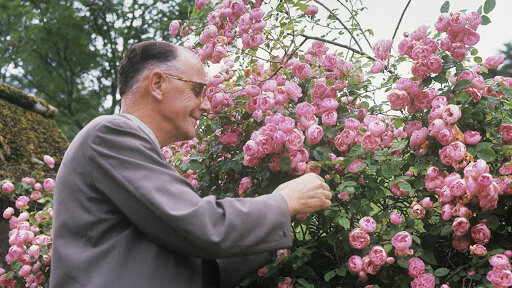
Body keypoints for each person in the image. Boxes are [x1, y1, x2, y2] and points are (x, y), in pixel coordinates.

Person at [50, 40, 332, 288]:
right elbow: (200, 225)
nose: (207, 106)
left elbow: (204, 269)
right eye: (198, 90)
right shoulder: (110, 133)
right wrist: (284, 202)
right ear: (158, 84)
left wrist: (281, 211)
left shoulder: (133, 152)